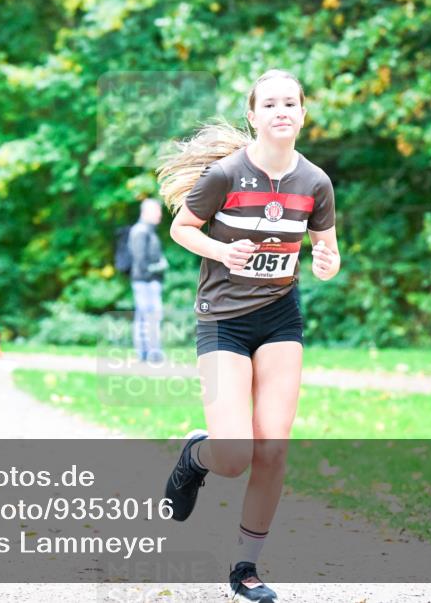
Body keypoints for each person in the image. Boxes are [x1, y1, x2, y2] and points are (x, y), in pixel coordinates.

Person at [156, 69, 340, 603]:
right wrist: (221, 251)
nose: (283, 111)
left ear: (303, 114)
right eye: (271, 104)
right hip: (223, 320)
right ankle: (195, 457)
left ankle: (245, 570)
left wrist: (327, 261)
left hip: (281, 317)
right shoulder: (225, 175)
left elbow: (326, 256)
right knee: (234, 454)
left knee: (273, 449)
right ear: (254, 116)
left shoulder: (316, 183)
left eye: (292, 103)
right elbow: (182, 228)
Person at [129, 198, 168, 363]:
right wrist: (160, 266)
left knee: (147, 317)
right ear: (146, 212)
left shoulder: (148, 231)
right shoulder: (140, 231)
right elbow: (140, 260)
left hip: (149, 282)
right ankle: (149, 353)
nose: (159, 215)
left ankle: (148, 353)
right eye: (156, 211)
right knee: (148, 317)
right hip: (145, 282)